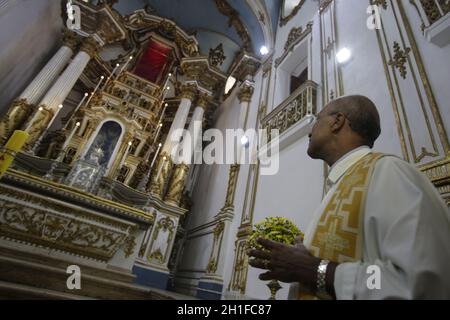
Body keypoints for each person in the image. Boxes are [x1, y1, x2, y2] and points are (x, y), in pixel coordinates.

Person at [248, 95, 450, 300]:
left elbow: (417, 283)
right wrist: (307, 254)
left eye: (317, 120)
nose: (310, 130)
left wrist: (314, 269)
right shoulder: (341, 184)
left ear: (337, 121)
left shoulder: (388, 172)